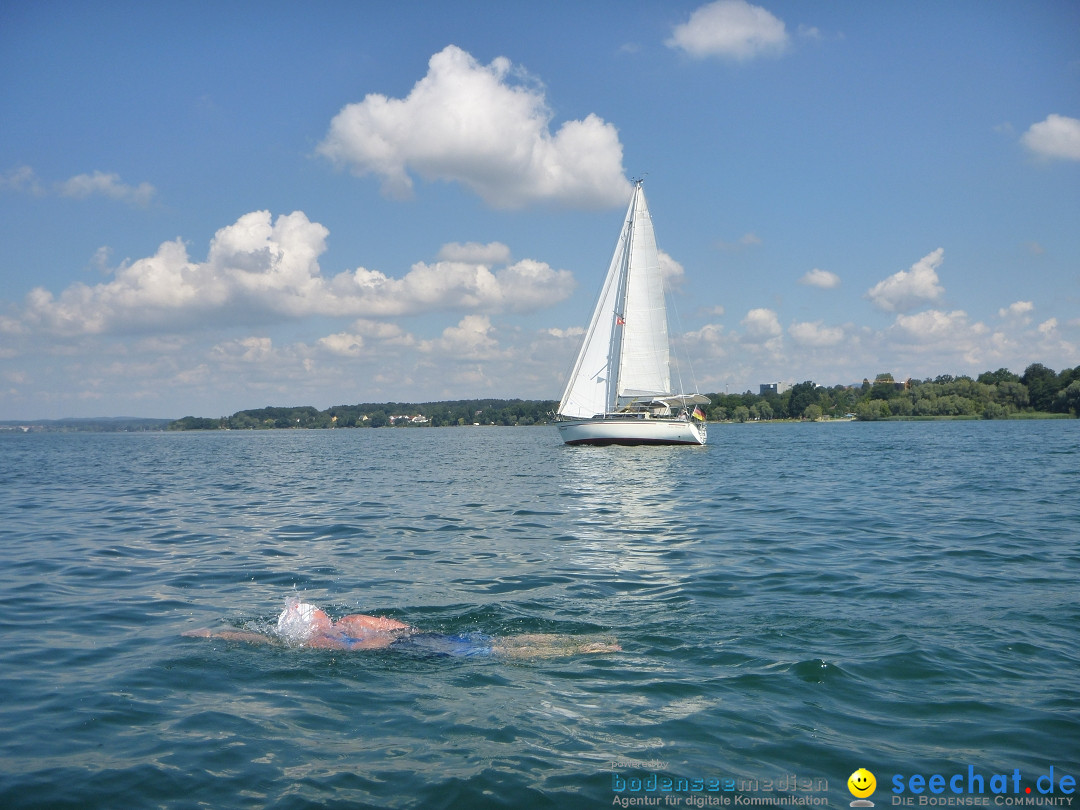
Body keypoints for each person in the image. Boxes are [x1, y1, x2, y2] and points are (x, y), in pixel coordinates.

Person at [183, 598, 621, 658]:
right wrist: (215, 633)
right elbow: (402, 625)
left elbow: (367, 649)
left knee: (497, 651)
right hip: (417, 640)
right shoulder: (350, 620)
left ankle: (588, 649)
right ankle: (588, 644)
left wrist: (379, 640)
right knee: (495, 644)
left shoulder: (321, 640)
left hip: (412, 649)